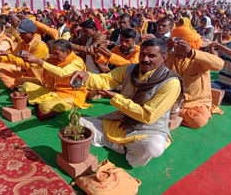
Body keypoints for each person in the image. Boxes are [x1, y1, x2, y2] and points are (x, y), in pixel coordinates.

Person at [71, 38, 182, 167]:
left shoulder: (171, 83)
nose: (145, 59)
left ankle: (119, 145)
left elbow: (148, 116)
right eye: (142, 54)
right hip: (123, 120)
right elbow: (106, 79)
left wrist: (117, 98)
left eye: (151, 56)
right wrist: (86, 77)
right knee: (80, 123)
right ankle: (121, 146)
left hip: (148, 129)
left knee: (153, 148)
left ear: (164, 57)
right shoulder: (130, 69)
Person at [18, 39, 89, 119]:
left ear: (67, 52)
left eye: (57, 53)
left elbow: (62, 73)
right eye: (53, 53)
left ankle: (43, 105)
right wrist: (29, 59)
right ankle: (43, 104)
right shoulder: (54, 59)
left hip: (69, 96)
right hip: (53, 90)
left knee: (45, 106)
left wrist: (38, 61)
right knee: (26, 86)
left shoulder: (77, 62)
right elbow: (42, 66)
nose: (54, 55)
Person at [165, 39, 224, 129]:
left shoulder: (199, 59)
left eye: (182, 45)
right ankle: (174, 113)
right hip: (172, 99)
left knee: (199, 120)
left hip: (195, 102)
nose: (178, 47)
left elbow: (219, 64)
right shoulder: (170, 56)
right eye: (176, 43)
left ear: (190, 46)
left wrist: (190, 52)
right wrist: (165, 50)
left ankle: (174, 113)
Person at [0, 18, 49, 89]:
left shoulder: (40, 46)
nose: (20, 35)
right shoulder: (22, 44)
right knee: (0, 70)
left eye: (23, 33)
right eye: (20, 33)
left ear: (32, 33)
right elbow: (13, 55)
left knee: (18, 81)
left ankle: (17, 90)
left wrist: (7, 55)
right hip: (24, 73)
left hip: (39, 77)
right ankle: (16, 88)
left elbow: (26, 65)